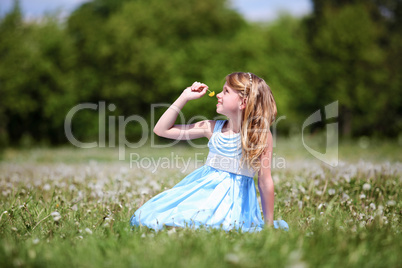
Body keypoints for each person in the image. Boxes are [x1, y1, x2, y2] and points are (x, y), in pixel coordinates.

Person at [130, 72, 288, 232]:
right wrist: (184, 97)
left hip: (236, 204)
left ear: (243, 102)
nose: (218, 95)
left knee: (221, 228)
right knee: (160, 219)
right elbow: (161, 130)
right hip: (204, 195)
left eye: (226, 91)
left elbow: (265, 181)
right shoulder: (211, 128)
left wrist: (268, 225)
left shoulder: (260, 135)